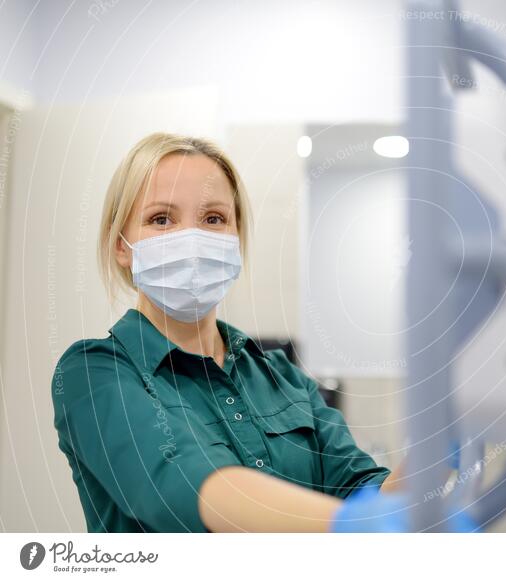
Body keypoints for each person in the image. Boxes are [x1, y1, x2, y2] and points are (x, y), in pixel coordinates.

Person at [49, 132, 425, 533]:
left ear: (236, 238)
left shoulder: (282, 377)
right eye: (161, 219)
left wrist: (436, 451)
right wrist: (345, 525)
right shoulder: (93, 374)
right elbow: (188, 488)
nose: (191, 240)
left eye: (214, 219)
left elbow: (362, 493)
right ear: (121, 245)